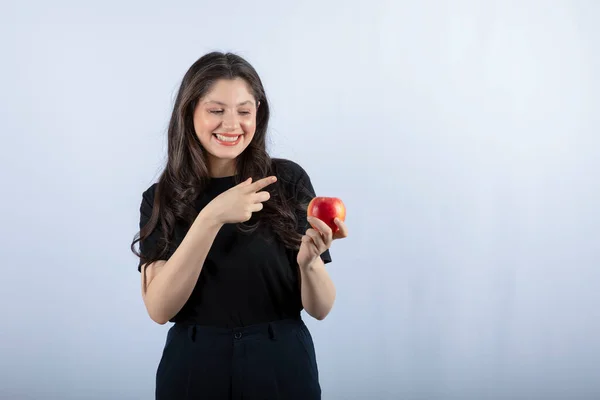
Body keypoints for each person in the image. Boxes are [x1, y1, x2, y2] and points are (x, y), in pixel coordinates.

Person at [130, 51, 348, 400]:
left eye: (244, 111)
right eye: (216, 110)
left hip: (281, 363)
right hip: (194, 366)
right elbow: (159, 309)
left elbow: (320, 309)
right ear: (189, 113)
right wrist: (211, 217)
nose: (232, 125)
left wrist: (309, 263)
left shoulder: (287, 180)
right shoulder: (162, 197)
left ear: (258, 114)